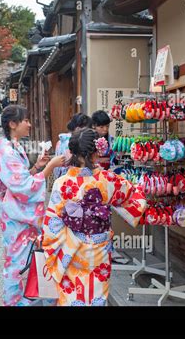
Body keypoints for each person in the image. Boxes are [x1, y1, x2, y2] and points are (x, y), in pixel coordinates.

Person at [42, 128, 147, 306]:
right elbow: (133, 197)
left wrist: (47, 243)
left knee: (72, 295)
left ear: (73, 152)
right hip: (100, 249)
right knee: (97, 295)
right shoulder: (108, 179)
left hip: (71, 250)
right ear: (96, 152)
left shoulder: (62, 183)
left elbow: (53, 223)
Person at [0, 105, 65, 306]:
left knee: (23, 261)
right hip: (17, 218)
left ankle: (23, 300)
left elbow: (24, 177)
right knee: (17, 264)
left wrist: (38, 167)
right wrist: (51, 167)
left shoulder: (14, 147)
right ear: (12, 124)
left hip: (18, 214)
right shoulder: (9, 152)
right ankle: (14, 302)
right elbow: (25, 186)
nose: (29, 124)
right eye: (25, 120)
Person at [53, 113, 82, 179]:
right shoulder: (73, 141)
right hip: (70, 177)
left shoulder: (61, 140)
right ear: (78, 128)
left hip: (59, 177)